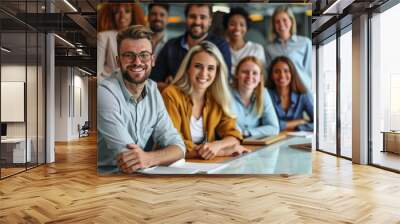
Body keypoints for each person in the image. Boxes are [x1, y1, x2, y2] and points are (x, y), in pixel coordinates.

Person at [97, 25, 185, 173]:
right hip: (105, 178)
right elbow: (127, 156)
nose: (137, 62)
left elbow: (179, 147)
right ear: (118, 61)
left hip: (139, 174)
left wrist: (148, 158)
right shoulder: (104, 92)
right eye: (129, 55)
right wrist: (151, 158)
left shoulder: (152, 90)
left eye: (144, 55)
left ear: (152, 60)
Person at [162, 41, 249, 160]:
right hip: (171, 167)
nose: (204, 73)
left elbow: (233, 135)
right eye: (198, 66)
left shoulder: (217, 98)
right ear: (188, 68)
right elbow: (173, 144)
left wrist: (217, 145)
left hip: (204, 166)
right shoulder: (171, 95)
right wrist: (221, 152)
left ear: (217, 72)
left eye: (210, 68)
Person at [151, 4, 232, 91]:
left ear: (210, 21)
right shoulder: (171, 45)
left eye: (202, 17)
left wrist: (175, 86)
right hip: (175, 102)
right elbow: (154, 81)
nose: (197, 22)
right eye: (192, 16)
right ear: (186, 19)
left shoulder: (220, 46)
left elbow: (224, 83)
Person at [230, 56, 280, 138]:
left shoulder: (263, 93)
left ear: (260, 78)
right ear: (236, 74)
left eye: (255, 73)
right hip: (231, 142)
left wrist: (247, 133)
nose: (250, 76)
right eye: (245, 72)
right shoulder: (226, 93)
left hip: (254, 143)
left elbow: (274, 128)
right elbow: (229, 126)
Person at [265, 6, 312, 92]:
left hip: (301, 91)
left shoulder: (305, 43)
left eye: (284, 20)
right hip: (279, 93)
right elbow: (269, 75)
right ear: (274, 25)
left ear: (291, 21)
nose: (281, 24)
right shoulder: (269, 48)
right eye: (277, 22)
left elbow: (309, 71)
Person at [97, 3, 146, 81]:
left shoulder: (141, 39)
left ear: (133, 14)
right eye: (117, 11)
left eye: (127, 11)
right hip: (111, 86)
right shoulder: (103, 37)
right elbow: (98, 72)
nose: (122, 15)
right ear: (111, 15)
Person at [266, 56, 313, 132]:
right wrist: (297, 122)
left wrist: (298, 127)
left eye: (286, 71)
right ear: (271, 75)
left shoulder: (303, 94)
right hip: (272, 140)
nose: (282, 75)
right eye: (277, 71)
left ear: (292, 73)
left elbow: (318, 123)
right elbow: (264, 125)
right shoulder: (266, 95)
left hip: (298, 139)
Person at [223, 7, 266, 76]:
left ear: (247, 28)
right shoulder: (221, 49)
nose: (237, 28)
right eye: (232, 24)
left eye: (242, 25)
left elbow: (261, 75)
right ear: (226, 26)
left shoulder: (256, 49)